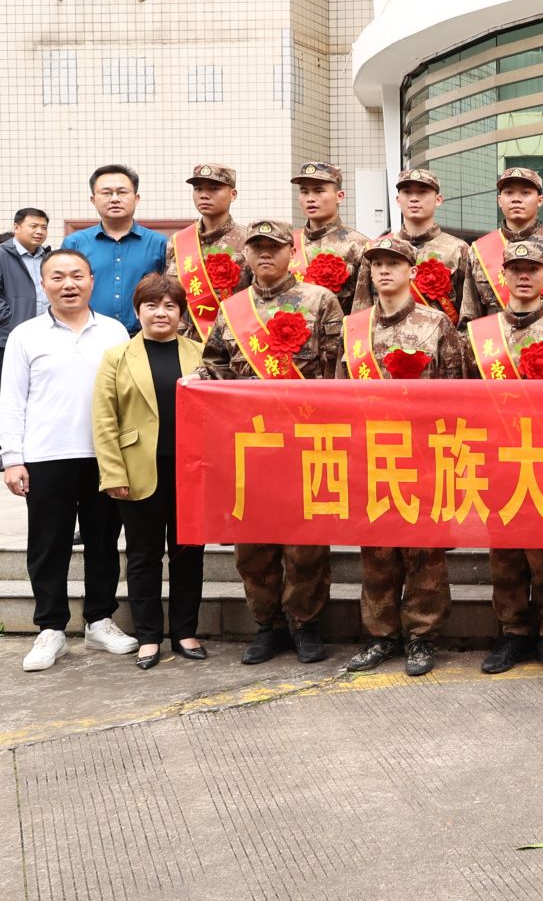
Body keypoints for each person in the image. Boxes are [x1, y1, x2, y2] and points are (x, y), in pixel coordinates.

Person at [194, 221, 346, 664]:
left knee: (306, 543)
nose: (265, 254)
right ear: (245, 254)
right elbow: (215, 366)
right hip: (250, 444)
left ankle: (304, 623)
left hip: (306, 439)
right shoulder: (233, 309)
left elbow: (338, 369)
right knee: (253, 545)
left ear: (290, 252)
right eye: (256, 247)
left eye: (274, 247)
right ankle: (268, 625)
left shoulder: (320, 300)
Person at [340, 236, 467, 677]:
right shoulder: (353, 327)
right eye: (376, 264)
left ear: (412, 271)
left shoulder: (436, 325)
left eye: (393, 263)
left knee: (424, 553)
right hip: (370, 454)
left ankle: (422, 637)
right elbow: (338, 395)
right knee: (375, 553)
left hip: (424, 456)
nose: (383, 270)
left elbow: (456, 392)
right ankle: (381, 636)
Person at [3, 249, 133, 671]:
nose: (68, 284)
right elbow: (11, 400)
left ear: (91, 281)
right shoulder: (25, 335)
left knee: (103, 541)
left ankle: (100, 620)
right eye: (57, 277)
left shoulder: (114, 331)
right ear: (43, 285)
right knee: (48, 545)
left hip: (104, 455)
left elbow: (128, 396)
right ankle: (51, 629)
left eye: (77, 275)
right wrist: (12, 459)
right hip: (45, 455)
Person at [466, 238, 543, 675]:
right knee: (504, 552)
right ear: (502, 276)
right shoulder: (478, 336)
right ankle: (514, 632)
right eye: (516, 269)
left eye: (532, 269)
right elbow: (463, 401)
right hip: (497, 458)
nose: (524, 276)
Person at [91, 273, 205, 670]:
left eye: (170, 306)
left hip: (191, 471)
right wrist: (113, 474)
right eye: (151, 305)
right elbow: (104, 419)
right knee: (143, 556)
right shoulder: (118, 357)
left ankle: (186, 632)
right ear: (138, 311)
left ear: (181, 313)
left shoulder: (201, 354)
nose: (161, 313)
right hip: (139, 469)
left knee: (188, 554)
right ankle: (149, 637)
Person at [462, 167, 543, 325]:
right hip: (495, 338)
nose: (516, 199)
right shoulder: (479, 249)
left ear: (540, 200)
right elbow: (469, 318)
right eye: (509, 193)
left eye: (525, 193)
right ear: (499, 200)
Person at [353, 167, 474, 328]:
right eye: (407, 192)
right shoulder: (374, 249)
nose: (414, 199)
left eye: (422, 192)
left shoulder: (457, 250)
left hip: (437, 340)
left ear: (438, 199)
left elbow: (468, 315)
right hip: (384, 340)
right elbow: (361, 310)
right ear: (398, 200)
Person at [63, 164, 168, 333]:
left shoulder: (159, 243)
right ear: (93, 200)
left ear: (136, 198)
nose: (114, 199)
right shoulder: (75, 243)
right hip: (89, 334)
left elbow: (171, 292)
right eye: (106, 193)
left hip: (144, 336)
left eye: (122, 192)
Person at [168, 165, 246, 344]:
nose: (204, 195)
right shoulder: (177, 241)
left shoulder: (248, 241)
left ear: (233, 194)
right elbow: (169, 295)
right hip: (185, 344)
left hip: (233, 343)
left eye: (214, 189)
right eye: (198, 189)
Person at [288, 162, 371, 315]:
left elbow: (364, 307)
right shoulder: (287, 243)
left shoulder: (359, 246)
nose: (310, 199)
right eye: (304, 192)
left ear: (339, 196)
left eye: (319, 191)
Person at [0, 207, 52, 363]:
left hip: (46, 337)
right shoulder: (2, 254)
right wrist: (9, 319)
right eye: (33, 226)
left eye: (44, 227)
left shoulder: (49, 257)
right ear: (16, 227)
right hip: (9, 337)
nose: (39, 231)